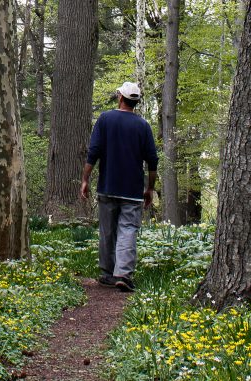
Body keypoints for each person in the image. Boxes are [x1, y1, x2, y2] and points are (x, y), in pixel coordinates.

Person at [80, 82, 158, 292]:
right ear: (135, 102)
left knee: (107, 230)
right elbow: (152, 161)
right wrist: (149, 188)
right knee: (128, 229)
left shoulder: (105, 119)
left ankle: (107, 273)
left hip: (107, 185)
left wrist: (85, 179)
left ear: (120, 97)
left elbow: (94, 151)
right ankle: (122, 273)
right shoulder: (143, 125)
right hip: (132, 189)